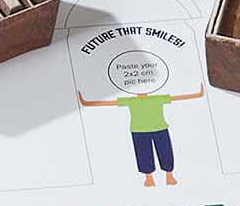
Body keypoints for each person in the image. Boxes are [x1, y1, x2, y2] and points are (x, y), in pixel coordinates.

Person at [76, 38, 205, 188]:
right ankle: (149, 178)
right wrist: (86, 102)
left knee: (165, 152)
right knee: (143, 154)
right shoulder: (131, 100)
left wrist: (198, 94)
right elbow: (109, 103)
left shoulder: (156, 98)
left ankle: (169, 175)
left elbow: (179, 97)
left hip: (159, 128)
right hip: (139, 130)